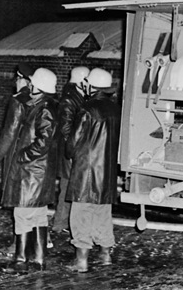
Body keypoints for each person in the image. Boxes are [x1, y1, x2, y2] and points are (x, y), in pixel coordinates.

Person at [0, 67, 58, 273]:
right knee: (39, 215)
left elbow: (43, 141)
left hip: (32, 172)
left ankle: (21, 259)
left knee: (23, 214)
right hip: (38, 172)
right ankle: (39, 258)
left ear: (37, 85)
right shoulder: (45, 105)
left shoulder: (44, 108)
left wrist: (22, 156)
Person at [66, 68, 121, 273]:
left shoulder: (87, 109)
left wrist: (68, 151)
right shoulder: (116, 110)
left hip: (86, 172)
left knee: (81, 215)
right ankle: (106, 255)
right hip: (107, 174)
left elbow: (74, 141)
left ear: (92, 86)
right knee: (103, 215)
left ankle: (81, 261)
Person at [0, 62, 34, 259]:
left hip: (17, 156)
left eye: (18, 78)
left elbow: (9, 133)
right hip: (36, 158)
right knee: (33, 204)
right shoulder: (41, 98)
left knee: (18, 202)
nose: (15, 81)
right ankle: (36, 242)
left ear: (24, 80)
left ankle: (18, 245)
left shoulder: (18, 100)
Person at [51, 66, 88, 235]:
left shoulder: (76, 97)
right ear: (81, 82)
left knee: (68, 189)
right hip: (69, 154)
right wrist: (72, 152)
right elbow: (66, 129)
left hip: (71, 151)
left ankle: (62, 222)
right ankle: (59, 223)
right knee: (66, 189)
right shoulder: (69, 100)